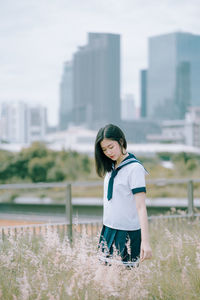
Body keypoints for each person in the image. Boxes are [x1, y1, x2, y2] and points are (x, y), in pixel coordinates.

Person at [95, 124, 152, 267]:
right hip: (108, 229)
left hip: (127, 233)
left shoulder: (134, 168)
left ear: (121, 141)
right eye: (104, 149)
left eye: (111, 147)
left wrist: (145, 242)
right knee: (102, 280)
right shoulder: (111, 167)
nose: (108, 152)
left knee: (125, 280)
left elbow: (141, 207)